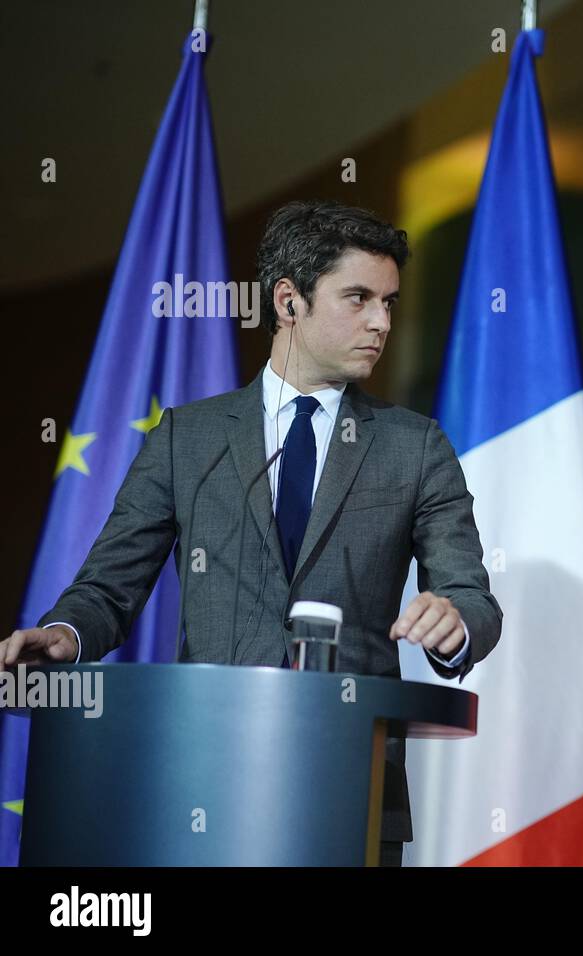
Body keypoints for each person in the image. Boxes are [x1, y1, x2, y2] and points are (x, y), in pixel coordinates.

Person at [1, 200, 502, 866]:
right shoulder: (188, 438)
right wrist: (63, 634)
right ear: (288, 302)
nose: (382, 321)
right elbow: (107, 589)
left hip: (352, 790)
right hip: (199, 780)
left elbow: (471, 594)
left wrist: (455, 622)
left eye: (389, 301)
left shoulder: (415, 447)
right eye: (359, 299)